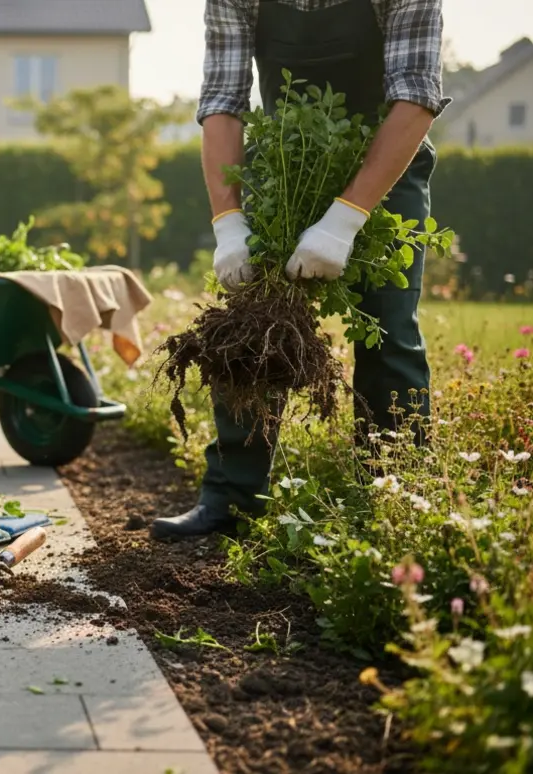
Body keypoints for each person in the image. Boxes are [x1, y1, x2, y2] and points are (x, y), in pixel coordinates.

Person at [151, 0, 447, 539]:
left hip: (387, 159)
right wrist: (228, 222)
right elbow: (223, 100)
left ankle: (393, 502)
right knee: (254, 323)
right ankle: (232, 502)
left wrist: (344, 220)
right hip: (288, 156)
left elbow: (416, 96)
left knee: (389, 330)